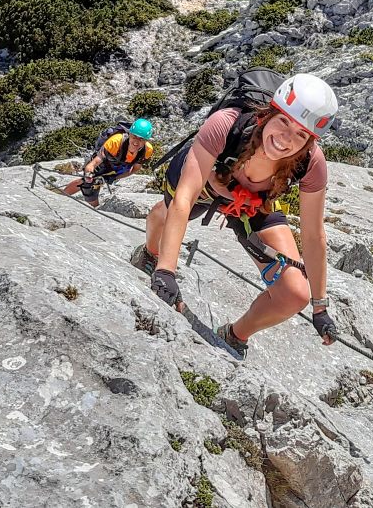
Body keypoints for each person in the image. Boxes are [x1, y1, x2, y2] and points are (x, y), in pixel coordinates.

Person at [131, 74, 338, 358]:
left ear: (310, 141)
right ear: (269, 114)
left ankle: (235, 335)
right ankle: (150, 254)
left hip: (255, 202)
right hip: (206, 180)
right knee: (165, 215)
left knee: (295, 294)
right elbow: (186, 197)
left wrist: (319, 306)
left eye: (301, 134)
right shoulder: (226, 124)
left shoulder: (311, 163)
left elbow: (314, 236)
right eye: (283, 122)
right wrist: (166, 270)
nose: (286, 139)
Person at [63, 118, 155, 207]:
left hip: (120, 168)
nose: (136, 141)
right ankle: (62, 197)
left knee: (93, 183)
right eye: (134, 136)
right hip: (104, 163)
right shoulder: (115, 142)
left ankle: (94, 211)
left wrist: (113, 178)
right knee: (88, 185)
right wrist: (89, 174)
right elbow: (92, 164)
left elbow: (134, 169)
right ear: (129, 134)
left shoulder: (147, 150)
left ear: (146, 140)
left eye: (141, 139)